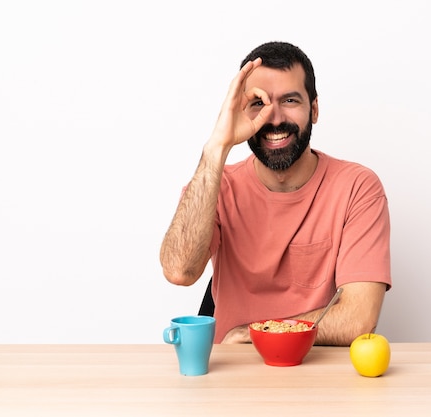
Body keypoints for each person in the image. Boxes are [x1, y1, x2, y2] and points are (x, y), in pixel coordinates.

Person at [160, 41, 391, 346]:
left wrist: (258, 333)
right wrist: (217, 147)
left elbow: (358, 318)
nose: (275, 118)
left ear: (315, 109)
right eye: (259, 103)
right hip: (231, 377)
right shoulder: (216, 186)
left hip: (319, 376)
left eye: (290, 100)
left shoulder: (357, 188)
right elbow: (179, 270)